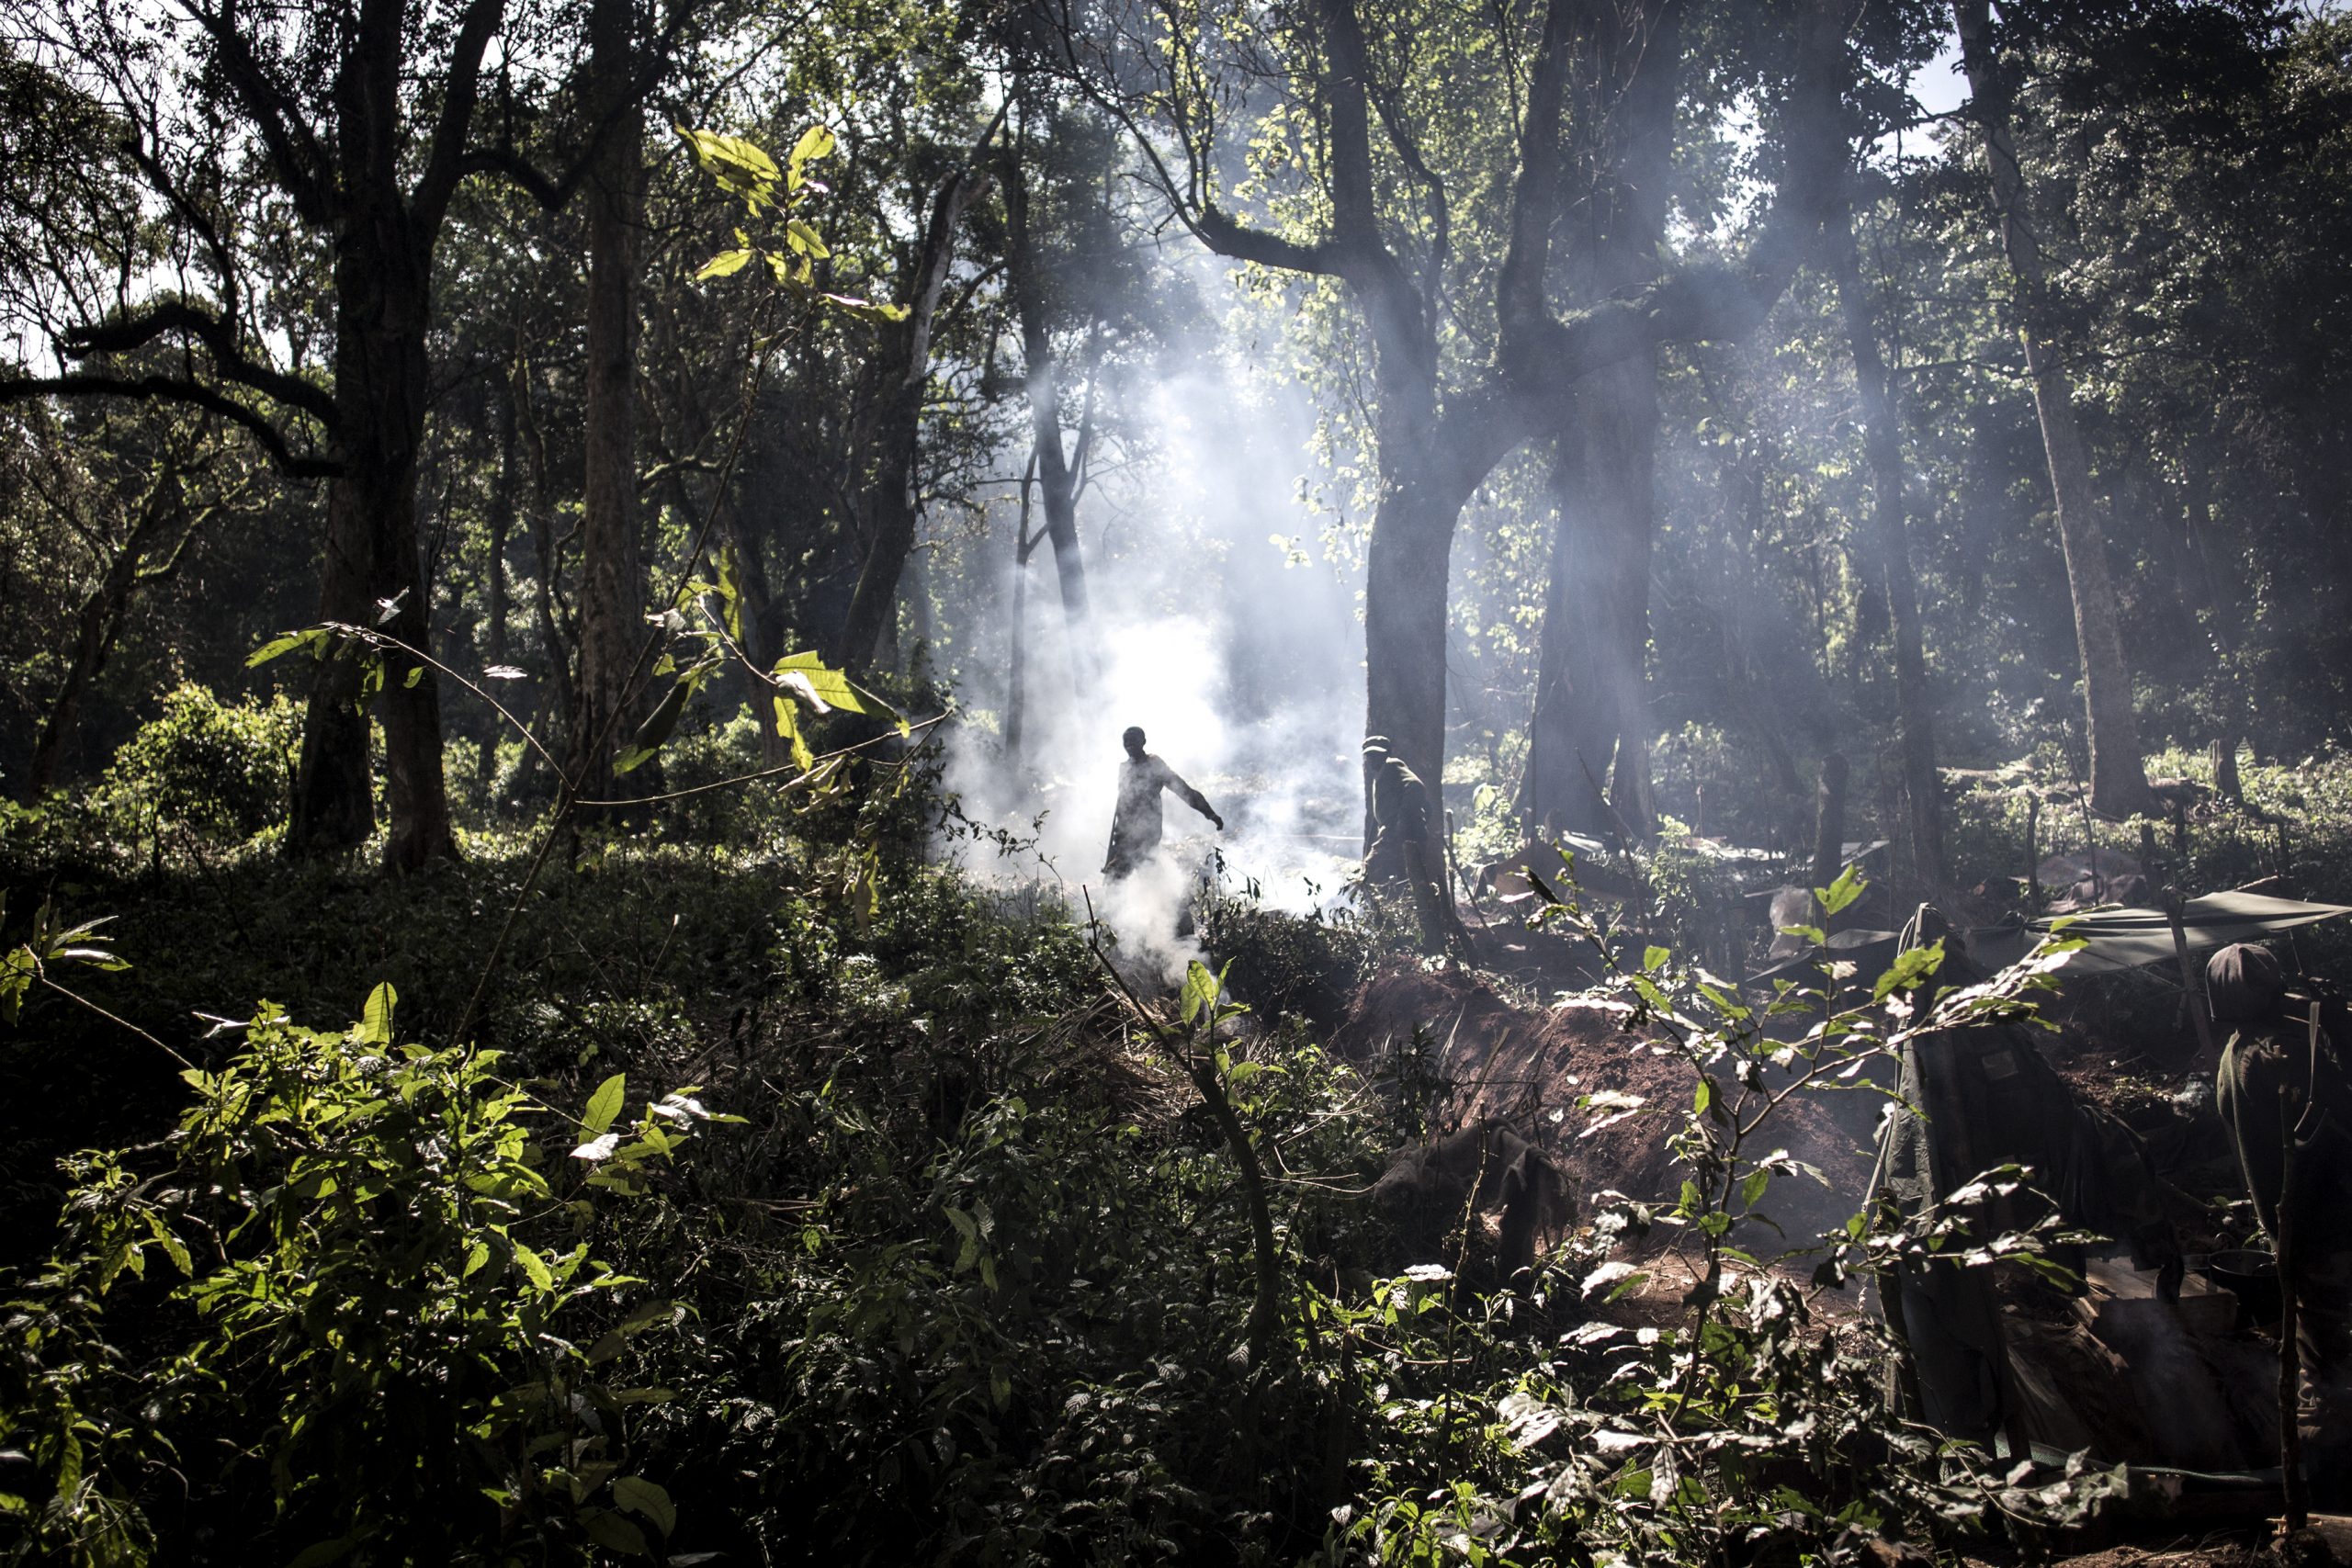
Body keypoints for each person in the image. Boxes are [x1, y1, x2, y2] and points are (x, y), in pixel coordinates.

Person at [2209, 942, 2352, 1489]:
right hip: (2329, 1228)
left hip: (2290, 1228)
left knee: (2318, 1352)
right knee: (2326, 1367)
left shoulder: (2232, 1055)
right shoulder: (2283, 1054)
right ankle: (2331, 1483)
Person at [1103, 726, 1220, 880]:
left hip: (1147, 831)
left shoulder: (1154, 765)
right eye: (1126, 741)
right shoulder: (1125, 768)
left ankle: (1165, 898)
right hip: (1125, 833)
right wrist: (1118, 836)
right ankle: (1165, 898)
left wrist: (1209, 813)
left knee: (1127, 872)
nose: (1129, 745)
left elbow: (1184, 790)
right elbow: (1122, 804)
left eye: (1133, 741)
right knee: (1131, 874)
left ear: (1143, 742)